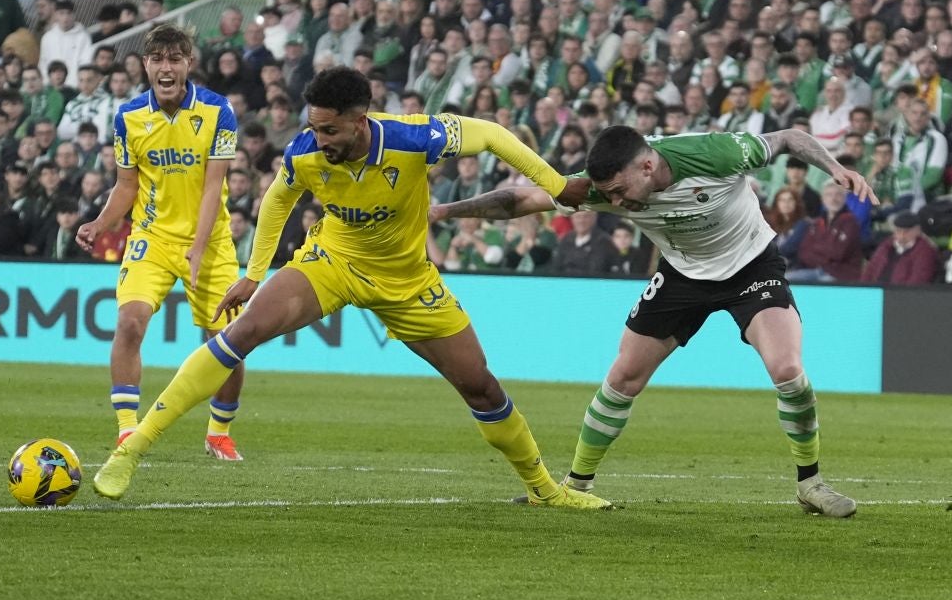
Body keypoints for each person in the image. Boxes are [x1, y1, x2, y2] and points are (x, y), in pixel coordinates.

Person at [96, 68, 607, 510]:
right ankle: (133, 449)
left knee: (481, 386)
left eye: (331, 130)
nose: (320, 140)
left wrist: (558, 185)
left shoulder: (414, 138)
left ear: (360, 120)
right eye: (315, 128)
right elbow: (277, 202)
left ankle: (544, 489)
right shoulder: (305, 152)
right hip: (332, 262)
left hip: (408, 283)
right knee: (242, 331)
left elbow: (494, 134)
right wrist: (254, 274)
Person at [435, 124, 877, 519]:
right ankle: (575, 486)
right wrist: (442, 213)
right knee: (623, 376)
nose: (614, 203)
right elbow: (520, 199)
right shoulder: (608, 186)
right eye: (607, 194)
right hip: (682, 275)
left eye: (620, 192)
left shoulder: (715, 153)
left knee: (787, 370)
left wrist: (834, 167)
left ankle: (810, 485)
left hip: (751, 267)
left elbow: (789, 138)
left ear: (648, 165)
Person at [77, 24, 249, 460]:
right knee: (130, 322)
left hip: (208, 243)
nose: (166, 67)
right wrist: (99, 224)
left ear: (188, 64)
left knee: (227, 339)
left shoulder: (218, 111)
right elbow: (126, 186)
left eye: (175, 59)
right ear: (146, 65)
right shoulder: (128, 117)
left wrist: (198, 243)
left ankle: (218, 431)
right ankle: (126, 431)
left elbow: (214, 186)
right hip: (151, 238)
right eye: (158, 59)